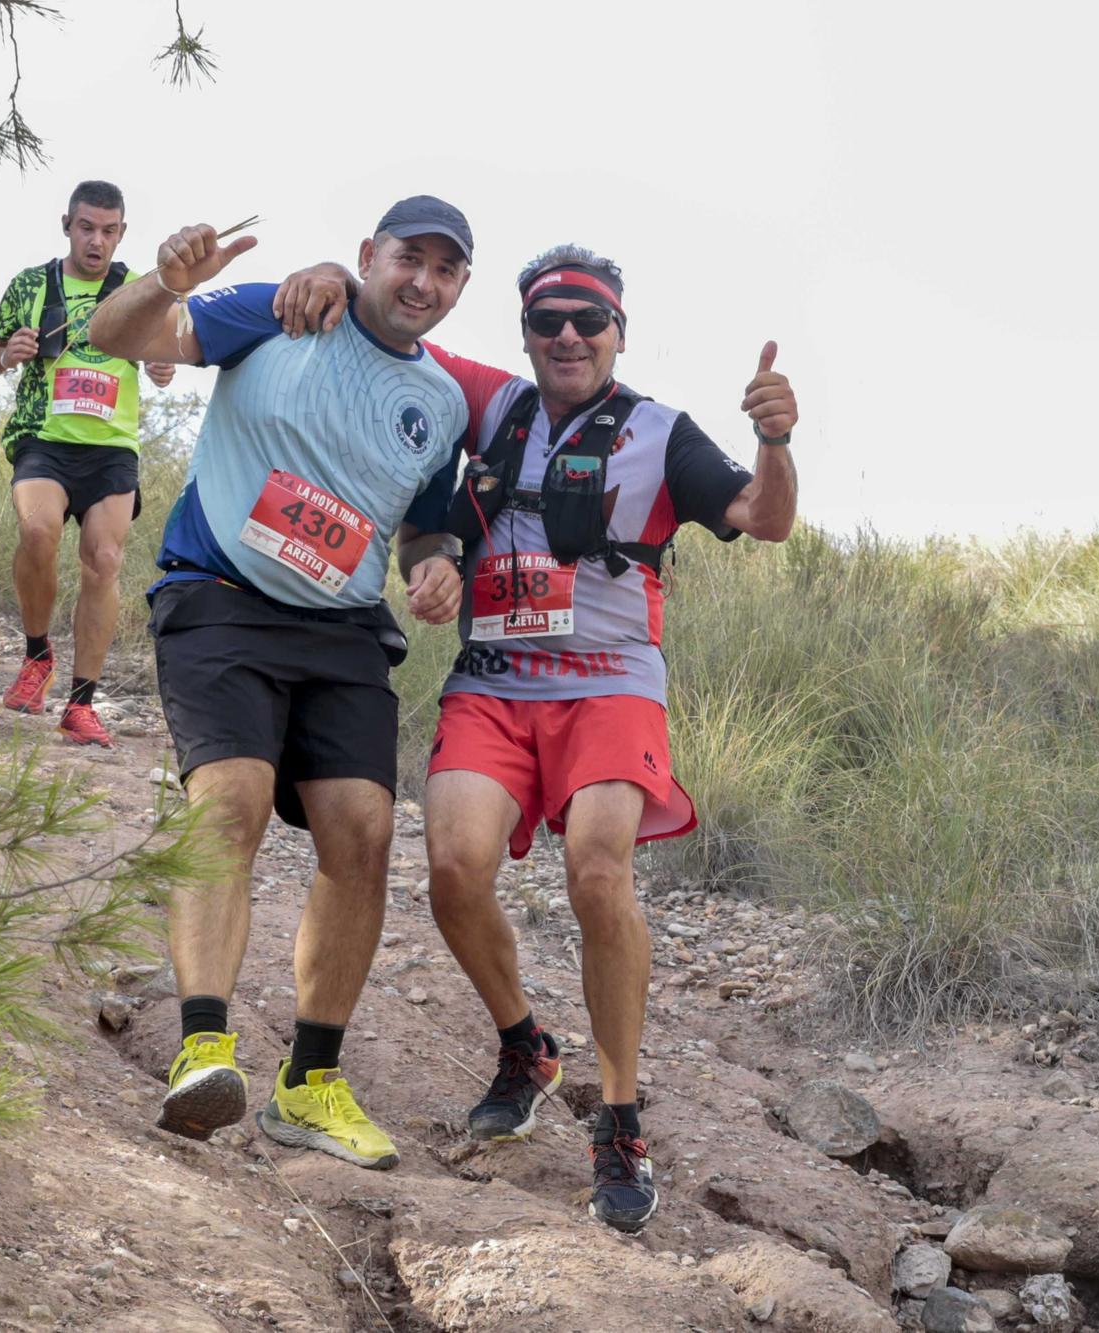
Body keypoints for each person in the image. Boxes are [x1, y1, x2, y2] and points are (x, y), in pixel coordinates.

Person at [85, 198, 475, 1169]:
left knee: (364, 830)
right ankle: (204, 1046)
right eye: (406, 258)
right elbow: (115, 333)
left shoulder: (444, 405)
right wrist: (165, 282)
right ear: (365, 257)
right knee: (230, 801)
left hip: (341, 626)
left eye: (444, 268)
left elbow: (424, 521)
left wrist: (436, 563)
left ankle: (311, 1084)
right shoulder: (284, 309)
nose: (421, 281)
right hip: (220, 594)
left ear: (458, 285)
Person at [421, 245, 798, 1231]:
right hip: (493, 684)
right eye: (548, 321)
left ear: (617, 332)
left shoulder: (659, 432)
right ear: (525, 335)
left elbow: (763, 519)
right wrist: (329, 281)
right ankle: (524, 1047)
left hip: (609, 687)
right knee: (453, 873)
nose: (567, 336)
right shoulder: (488, 402)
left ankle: (618, 1120)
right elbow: (393, 327)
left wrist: (775, 440)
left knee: (596, 869)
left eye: (588, 320)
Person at [0, 181, 177, 746]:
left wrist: (163, 366)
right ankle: (38, 656)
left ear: (122, 234)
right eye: (87, 227)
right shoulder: (32, 284)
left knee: (103, 559)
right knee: (37, 530)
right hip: (44, 436)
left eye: (109, 230)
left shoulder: (140, 290)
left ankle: (81, 704)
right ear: (67, 224)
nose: (97, 240)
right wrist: (5, 353)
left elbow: (174, 345)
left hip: (111, 447)